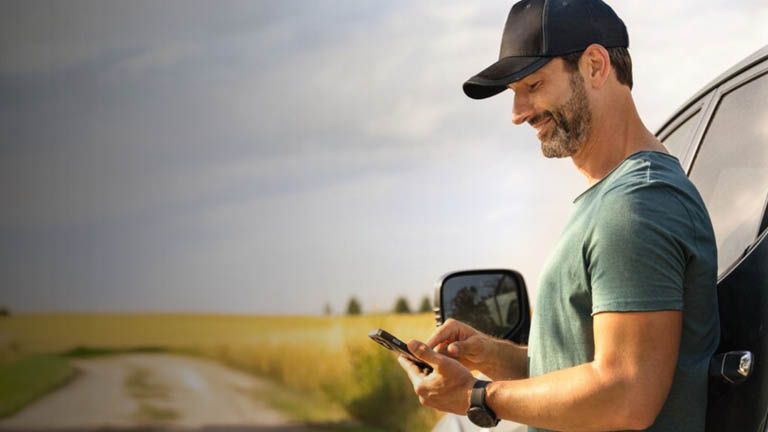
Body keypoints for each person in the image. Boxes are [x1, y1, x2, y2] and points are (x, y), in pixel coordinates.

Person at [396, 1, 720, 431]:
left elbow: (625, 394)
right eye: (515, 94)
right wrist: (492, 355)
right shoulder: (611, 198)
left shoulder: (636, 205)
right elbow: (581, 368)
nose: (518, 114)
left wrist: (475, 396)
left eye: (533, 85)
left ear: (595, 65)